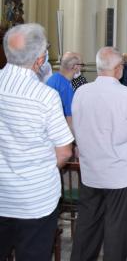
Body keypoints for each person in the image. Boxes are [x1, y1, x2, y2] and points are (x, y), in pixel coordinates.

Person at [0, 23, 73, 260]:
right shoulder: (44, 96)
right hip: (34, 201)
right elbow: (64, 152)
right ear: (40, 59)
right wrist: (37, 170)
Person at [70, 47, 127, 261]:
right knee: (117, 230)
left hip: (91, 171)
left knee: (87, 226)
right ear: (117, 69)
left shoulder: (81, 93)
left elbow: (75, 126)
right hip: (119, 174)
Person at [46, 51, 83, 126]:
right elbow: (69, 119)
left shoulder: (53, 79)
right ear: (75, 67)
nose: (82, 67)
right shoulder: (65, 87)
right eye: (81, 65)